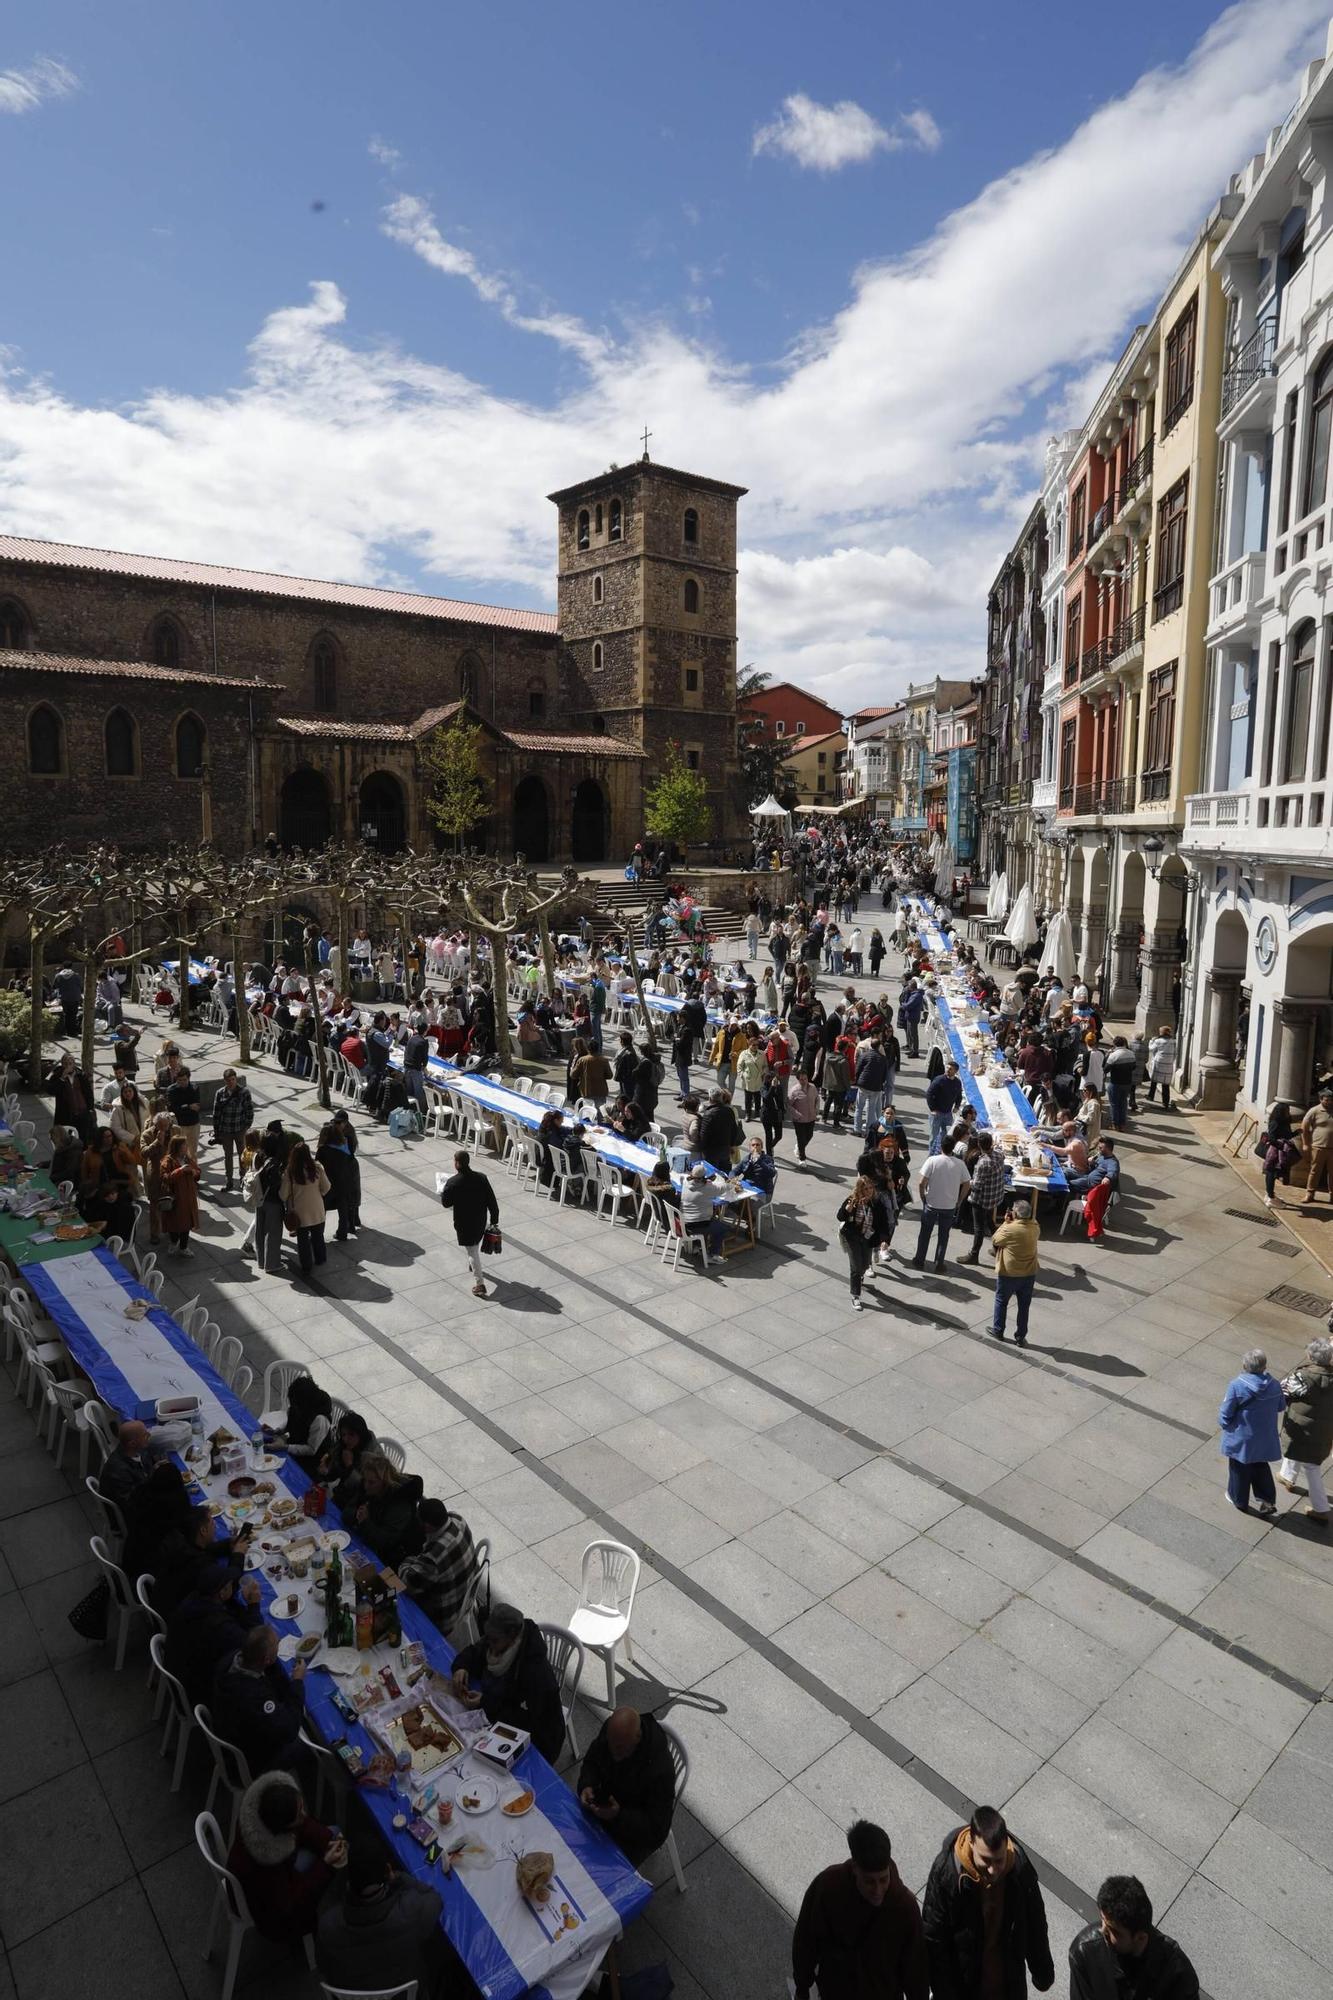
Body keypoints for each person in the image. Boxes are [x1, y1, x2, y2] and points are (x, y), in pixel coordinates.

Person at [921, 1806, 1054, 2000]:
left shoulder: (1019, 1870)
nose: (993, 1870)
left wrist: (1042, 1971)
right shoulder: (948, 1872)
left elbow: (1035, 1923)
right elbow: (933, 1937)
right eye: (986, 1860)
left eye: (999, 1860)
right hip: (964, 1987)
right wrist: (944, 1991)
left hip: (1007, 1984)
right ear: (972, 1843)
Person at [793, 1819, 928, 2000]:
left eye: (883, 1879)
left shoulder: (905, 1907)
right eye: (870, 1882)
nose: (878, 1891)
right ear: (855, 1868)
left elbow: (915, 1970)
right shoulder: (828, 1887)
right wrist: (802, 1987)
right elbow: (806, 1940)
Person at [229, 1773, 345, 1943]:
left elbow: (302, 1825)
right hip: (272, 1914)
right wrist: (325, 1864)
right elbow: (291, 1904)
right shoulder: (268, 1864)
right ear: (283, 1828)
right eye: (299, 1813)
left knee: (332, 1835)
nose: (304, 1814)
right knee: (335, 1833)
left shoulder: (261, 1814)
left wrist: (325, 1840)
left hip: (262, 1885)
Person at [315, 1841, 443, 1996]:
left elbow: (322, 1966)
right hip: (402, 1994)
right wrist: (398, 1878)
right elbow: (434, 1898)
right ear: (388, 1870)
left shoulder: (328, 1924)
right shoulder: (410, 1911)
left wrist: (341, 1875)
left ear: (348, 1881)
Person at [451, 1602, 565, 1763]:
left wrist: (485, 1702)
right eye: (488, 1638)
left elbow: (531, 1722)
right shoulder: (497, 1642)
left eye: (495, 1641)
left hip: (538, 1739)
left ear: (513, 1638)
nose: (489, 1644)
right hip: (501, 1712)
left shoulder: (535, 1673)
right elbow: (476, 1651)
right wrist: (461, 1667)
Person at [1068, 1875, 1198, 2000]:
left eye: (1114, 1931)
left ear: (1140, 1937)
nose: (1103, 1930)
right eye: (1102, 1920)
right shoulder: (1084, 1953)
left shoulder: (1176, 1971)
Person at [577, 1706, 677, 1867]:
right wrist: (586, 1785)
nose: (613, 1753)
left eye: (620, 1749)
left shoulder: (660, 1771)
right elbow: (592, 1761)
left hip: (632, 1834)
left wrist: (618, 1816)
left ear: (637, 1737)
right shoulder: (614, 1734)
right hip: (606, 1808)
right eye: (611, 1745)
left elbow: (657, 1830)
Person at [211, 1623, 311, 1779]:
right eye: (277, 1649)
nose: (278, 1649)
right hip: (250, 1762)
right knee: (308, 1740)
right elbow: (289, 1729)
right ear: (267, 1660)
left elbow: (268, 1674)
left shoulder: (232, 1659)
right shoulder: (253, 1697)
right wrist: (297, 1682)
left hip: (234, 1731)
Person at [164, 1560, 263, 1703]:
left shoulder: (193, 1600)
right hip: (200, 1688)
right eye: (229, 1584)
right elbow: (255, 1644)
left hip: (178, 1665)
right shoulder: (219, 1625)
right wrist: (254, 1606)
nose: (232, 1584)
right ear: (221, 1593)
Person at [394, 1496, 478, 1632]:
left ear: (427, 1526)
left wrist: (406, 1561)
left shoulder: (434, 1557)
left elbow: (408, 1584)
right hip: (466, 1592)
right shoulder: (457, 1519)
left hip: (447, 1612)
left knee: (398, 1597)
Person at [1219, 1346, 1285, 1516]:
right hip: (1264, 1435)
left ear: (1245, 1366)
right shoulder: (1275, 1385)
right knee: (1261, 1465)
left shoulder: (1237, 1385)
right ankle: (1267, 1499)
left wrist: (1225, 1424)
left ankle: (1238, 1498)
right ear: (1264, 1366)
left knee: (1238, 1466)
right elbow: (1281, 1406)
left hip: (1242, 1436)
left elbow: (1226, 1412)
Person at [1277, 1333, 1333, 1524]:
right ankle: (1287, 1476)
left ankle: (1321, 1508)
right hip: (1324, 1431)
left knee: (1311, 1466)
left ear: (1311, 1356)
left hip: (1301, 1427)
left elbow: (1281, 1390)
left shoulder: (1303, 1377)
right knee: (1299, 1451)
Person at [439, 1148, 500, 1298]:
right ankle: (473, 1265)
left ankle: (480, 1284)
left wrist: (443, 1190)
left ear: (457, 1164)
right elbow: (492, 1201)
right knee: (474, 1246)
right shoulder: (482, 1178)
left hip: (464, 1223)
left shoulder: (453, 1182)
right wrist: (494, 1220)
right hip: (480, 1220)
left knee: (472, 1251)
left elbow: (446, 1203)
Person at [350, 1452, 425, 1569]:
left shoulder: (399, 1505)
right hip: (374, 1541)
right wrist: (358, 1514)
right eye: (365, 1480)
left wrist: (365, 1522)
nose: (366, 1486)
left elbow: (386, 1542)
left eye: (371, 1482)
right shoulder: (370, 1490)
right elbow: (347, 1512)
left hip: (397, 1557)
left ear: (384, 1483)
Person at [912, 1138, 971, 1271]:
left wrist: (923, 1198)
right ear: (953, 1148)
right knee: (944, 1236)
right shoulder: (960, 1164)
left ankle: (919, 1260)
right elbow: (967, 1184)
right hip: (949, 1206)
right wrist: (960, 1200)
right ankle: (939, 1263)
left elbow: (922, 1183)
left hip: (931, 1204)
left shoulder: (932, 1161)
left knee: (925, 1234)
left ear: (941, 1147)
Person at [990, 1200, 1039, 1346]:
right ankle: (1020, 1337)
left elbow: (995, 1239)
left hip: (1009, 1273)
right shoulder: (1035, 1227)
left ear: (1016, 1213)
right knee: (1024, 1307)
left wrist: (1005, 1223)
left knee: (1001, 1301)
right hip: (1029, 1273)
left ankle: (998, 1330)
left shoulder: (1010, 1229)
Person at [837, 1176, 890, 1311]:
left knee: (865, 1265)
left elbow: (883, 1223)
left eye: (871, 1188)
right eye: (865, 1189)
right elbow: (840, 1216)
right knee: (855, 1266)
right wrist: (847, 1209)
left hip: (868, 1237)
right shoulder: (852, 1200)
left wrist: (884, 1240)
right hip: (852, 1236)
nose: (869, 1191)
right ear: (860, 1189)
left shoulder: (877, 1204)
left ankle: (860, 1276)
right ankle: (855, 1295)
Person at [279, 1140, 331, 1279]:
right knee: (318, 1236)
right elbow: (326, 1188)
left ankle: (306, 1267)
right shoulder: (317, 1168)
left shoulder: (290, 1172)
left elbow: (283, 1194)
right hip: (317, 1210)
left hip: (299, 1214)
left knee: (303, 1241)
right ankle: (320, 1258)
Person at [959, 1130, 1005, 1265]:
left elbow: (977, 1186)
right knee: (990, 1222)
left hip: (982, 1200)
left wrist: (966, 1181)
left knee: (979, 1228)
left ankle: (974, 1255)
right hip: (994, 1197)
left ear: (979, 1145)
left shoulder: (983, 1163)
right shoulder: (999, 1155)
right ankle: (998, 1248)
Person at [1067, 1136, 1120, 1243]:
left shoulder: (1112, 1162)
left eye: (1101, 1148)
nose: (1099, 1150)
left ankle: (1059, 1206)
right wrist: (1092, 1163)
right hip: (1086, 1177)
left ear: (1108, 1149)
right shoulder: (1101, 1156)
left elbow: (1113, 1172)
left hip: (1090, 1185)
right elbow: (1095, 1168)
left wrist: (1107, 1178)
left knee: (1068, 1185)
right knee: (1066, 1172)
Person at [211, 1068, 254, 1189]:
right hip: (226, 1131)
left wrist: (246, 1127)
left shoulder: (244, 1092)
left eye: (233, 1079)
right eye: (228, 1080)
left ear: (236, 1079)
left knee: (243, 1155)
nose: (231, 1082)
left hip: (240, 1129)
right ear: (225, 1081)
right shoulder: (220, 1093)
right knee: (228, 1156)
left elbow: (249, 1111)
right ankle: (229, 1180)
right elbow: (216, 1113)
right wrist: (216, 1131)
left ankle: (243, 1178)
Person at [159, 1132, 201, 1257]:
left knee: (186, 1224)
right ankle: (173, 1241)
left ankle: (183, 1247)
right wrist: (180, 1171)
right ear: (177, 1147)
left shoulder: (187, 1159)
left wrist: (194, 1172)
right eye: (184, 1145)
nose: (186, 1147)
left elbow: (198, 1171)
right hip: (175, 1198)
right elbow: (165, 1178)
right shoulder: (168, 1161)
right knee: (174, 1223)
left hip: (188, 1197)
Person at [276, 1375, 334, 1464]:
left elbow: (311, 1449)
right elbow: (292, 1422)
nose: (293, 1407)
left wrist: (284, 1447)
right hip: (295, 1445)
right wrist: (279, 1430)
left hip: (311, 1461)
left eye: (296, 1405)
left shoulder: (319, 1420)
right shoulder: (299, 1407)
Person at [316, 1120, 358, 1241]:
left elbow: (318, 1167)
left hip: (328, 1184)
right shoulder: (343, 1147)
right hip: (343, 1182)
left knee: (322, 1210)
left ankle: (319, 1234)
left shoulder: (323, 1150)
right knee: (342, 1208)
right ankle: (342, 1232)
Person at [1257, 1099, 1299, 1208]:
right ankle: (1270, 1198)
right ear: (1281, 1112)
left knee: (1273, 1173)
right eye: (1286, 1111)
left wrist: (1296, 1133)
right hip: (1275, 1152)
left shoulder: (1284, 1122)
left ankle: (1269, 1194)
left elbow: (1287, 1135)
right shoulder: (1275, 1122)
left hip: (1279, 1150)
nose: (1288, 1112)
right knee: (1271, 1173)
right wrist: (1281, 1145)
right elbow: (1271, 1138)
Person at [52, 1053, 95, 1142]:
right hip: (65, 1115)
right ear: (62, 1065)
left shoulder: (81, 1075)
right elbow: (51, 1090)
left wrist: (90, 1108)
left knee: (83, 1139)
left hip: (82, 1113)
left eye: (70, 1063)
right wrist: (62, 1078)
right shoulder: (57, 1075)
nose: (68, 1066)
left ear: (74, 1064)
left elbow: (88, 1093)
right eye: (66, 1064)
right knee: (64, 1140)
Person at [1300, 1087, 1333, 1204]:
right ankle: (1310, 1193)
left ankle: (1332, 1195)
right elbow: (1304, 1127)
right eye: (1326, 1100)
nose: (1329, 1102)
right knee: (1314, 1171)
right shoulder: (1314, 1111)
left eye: (1331, 1100)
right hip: (1318, 1147)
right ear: (1321, 1099)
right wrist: (1305, 1144)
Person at [926, 1061, 964, 1156]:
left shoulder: (957, 1083)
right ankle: (931, 1156)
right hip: (937, 1113)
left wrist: (957, 1106)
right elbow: (929, 1094)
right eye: (947, 1068)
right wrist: (932, 1109)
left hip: (948, 1114)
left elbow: (959, 1095)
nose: (948, 1070)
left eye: (950, 1069)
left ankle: (942, 1153)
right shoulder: (939, 1080)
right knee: (933, 1137)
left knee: (947, 1135)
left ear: (955, 1071)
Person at [165, 1064, 202, 1158]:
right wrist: (188, 1107)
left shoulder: (194, 1088)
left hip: (193, 1124)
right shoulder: (171, 1091)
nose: (182, 1082)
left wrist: (182, 1107)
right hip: (179, 1125)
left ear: (189, 1078)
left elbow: (196, 1107)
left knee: (193, 1152)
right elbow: (173, 1109)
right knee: (179, 1153)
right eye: (179, 1080)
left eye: (184, 1080)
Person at [1104, 1037, 1137, 1131]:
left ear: (1115, 1044)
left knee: (1114, 1104)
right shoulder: (1131, 1053)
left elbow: (1106, 1069)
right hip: (1127, 1083)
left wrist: (1107, 1055)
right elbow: (1134, 1067)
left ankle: (1115, 1124)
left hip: (1115, 1082)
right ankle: (1122, 1124)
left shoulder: (1113, 1055)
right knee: (1123, 1103)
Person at [1145, 1025, 1176, 1110]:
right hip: (1169, 1063)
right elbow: (1175, 1053)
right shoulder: (1173, 1041)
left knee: (1154, 1080)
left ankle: (1151, 1096)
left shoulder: (1158, 1041)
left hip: (1159, 1062)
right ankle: (1165, 1102)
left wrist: (1151, 1041)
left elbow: (1151, 1048)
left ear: (1162, 1032)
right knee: (1165, 1084)